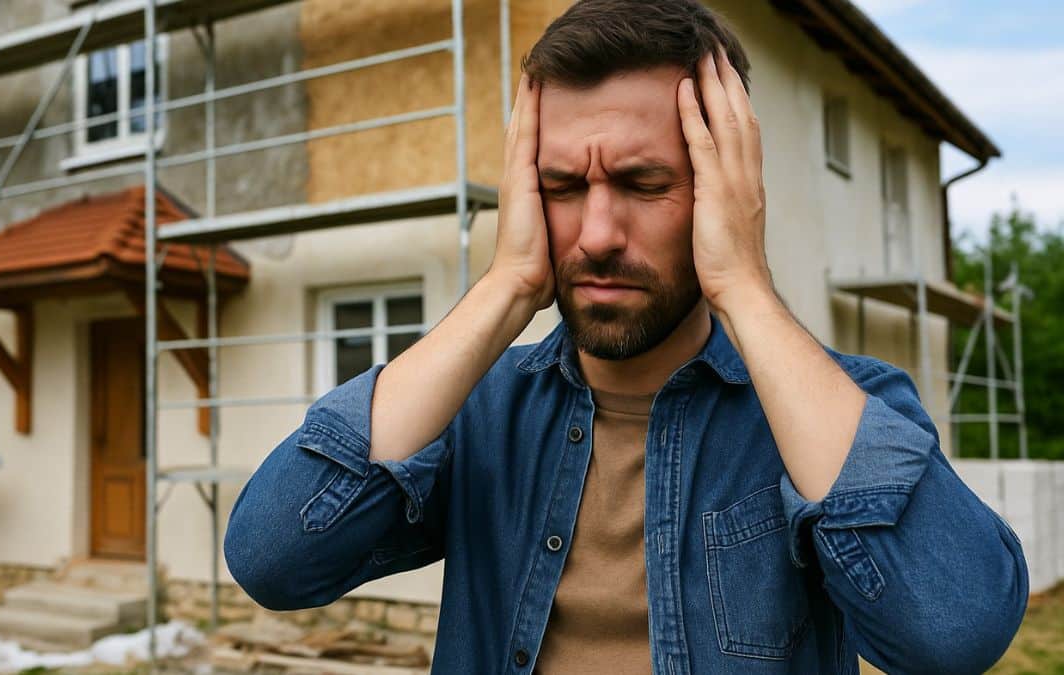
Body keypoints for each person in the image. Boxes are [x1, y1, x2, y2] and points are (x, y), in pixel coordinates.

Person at [224, 1, 1029, 672]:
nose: (599, 232)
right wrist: (506, 285)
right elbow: (274, 558)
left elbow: (952, 634)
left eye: (644, 184)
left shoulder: (841, 412)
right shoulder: (481, 411)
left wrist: (744, 284)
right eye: (563, 186)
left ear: (729, 190)